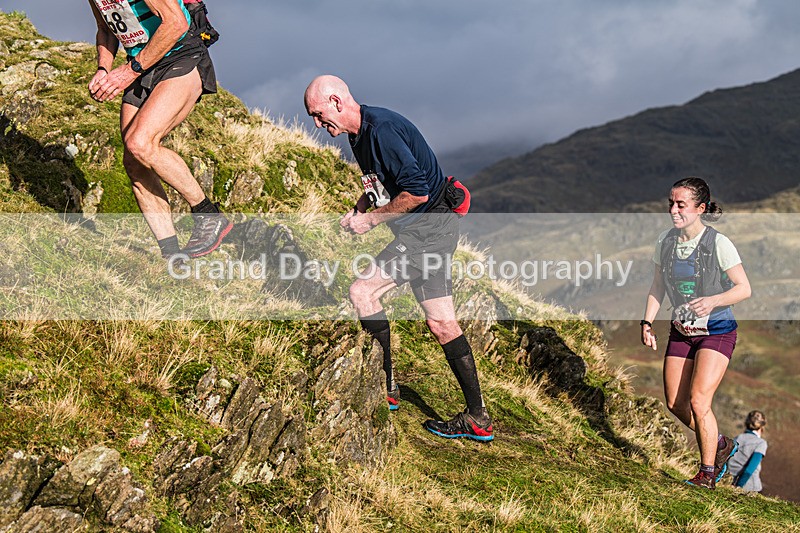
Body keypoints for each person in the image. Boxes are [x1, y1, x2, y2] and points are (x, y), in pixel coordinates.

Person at [304, 75, 493, 441]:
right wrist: (360, 207)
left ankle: (386, 385)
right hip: (429, 232)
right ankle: (478, 417)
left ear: (336, 101)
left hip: (427, 232)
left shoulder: (383, 131)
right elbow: (381, 184)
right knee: (441, 325)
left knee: (363, 292)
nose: (316, 123)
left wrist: (371, 221)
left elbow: (417, 193)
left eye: (317, 114)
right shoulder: (359, 134)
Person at [87, 0, 231, 259]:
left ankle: (208, 213)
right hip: (142, 66)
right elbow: (106, 29)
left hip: (181, 55)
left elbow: (176, 22)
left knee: (140, 142)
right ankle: (172, 256)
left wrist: (128, 72)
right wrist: (103, 69)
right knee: (133, 161)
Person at [641, 177, 751, 489]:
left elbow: (744, 289)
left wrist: (714, 300)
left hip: (716, 331)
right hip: (681, 331)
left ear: (700, 208)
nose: (673, 210)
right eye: (671, 204)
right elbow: (657, 286)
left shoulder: (718, 243)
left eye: (681, 205)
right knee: (676, 403)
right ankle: (720, 444)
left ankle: (706, 473)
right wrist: (646, 323)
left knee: (699, 400)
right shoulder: (665, 242)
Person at [727, 410, 768, 492]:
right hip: (750, 487)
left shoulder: (737, 438)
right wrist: (738, 486)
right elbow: (750, 469)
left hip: (729, 482)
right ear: (761, 427)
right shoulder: (760, 443)